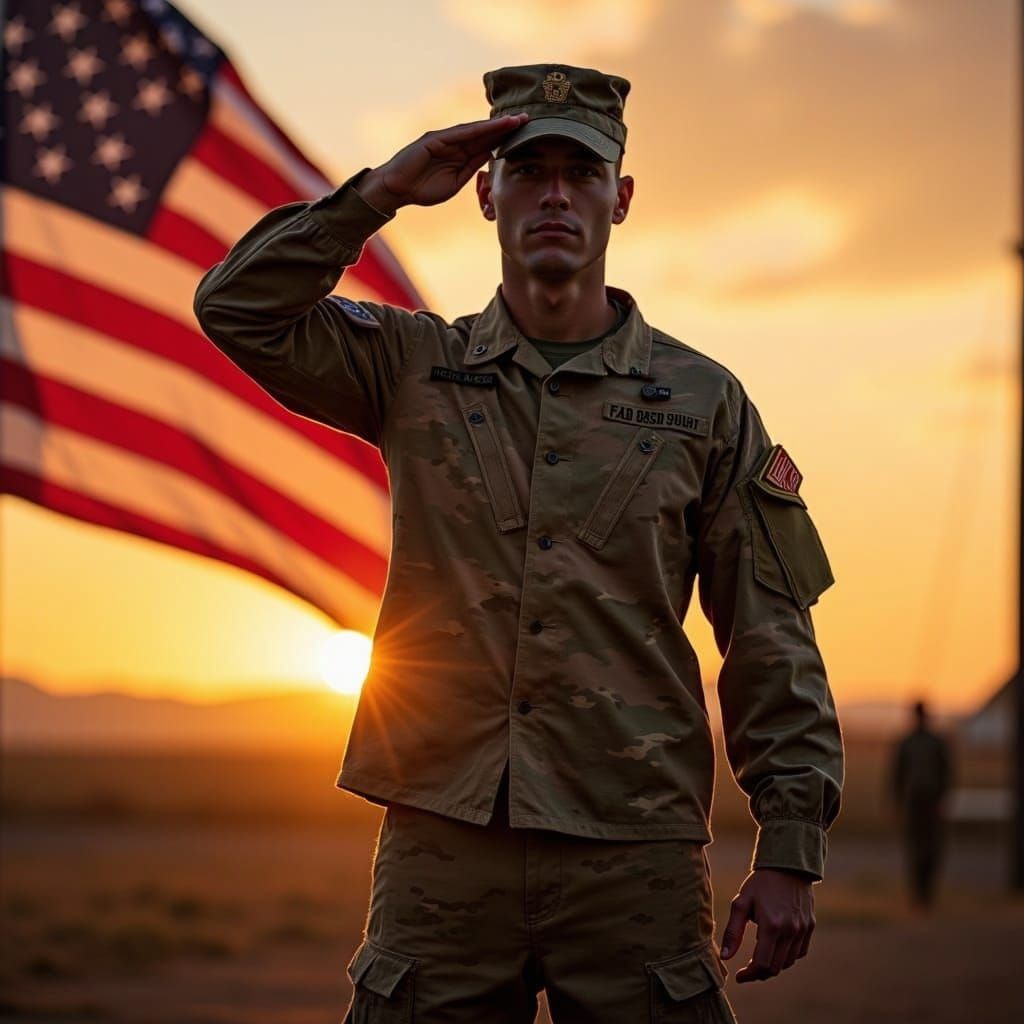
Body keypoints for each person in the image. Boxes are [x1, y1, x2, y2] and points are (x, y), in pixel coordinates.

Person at [194, 63, 845, 1024]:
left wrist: (790, 843)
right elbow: (237, 308)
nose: (553, 195)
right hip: (443, 843)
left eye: (580, 174)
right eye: (527, 169)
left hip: (633, 850)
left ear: (619, 200)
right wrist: (380, 191)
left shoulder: (704, 403)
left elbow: (768, 632)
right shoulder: (412, 366)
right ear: (484, 192)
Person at [889, 699, 953, 909]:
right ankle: (918, 894)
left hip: (931, 801)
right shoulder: (907, 742)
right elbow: (897, 775)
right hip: (914, 802)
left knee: (930, 848)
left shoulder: (934, 742)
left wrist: (943, 798)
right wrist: (896, 802)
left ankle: (926, 893)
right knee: (916, 847)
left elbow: (947, 773)